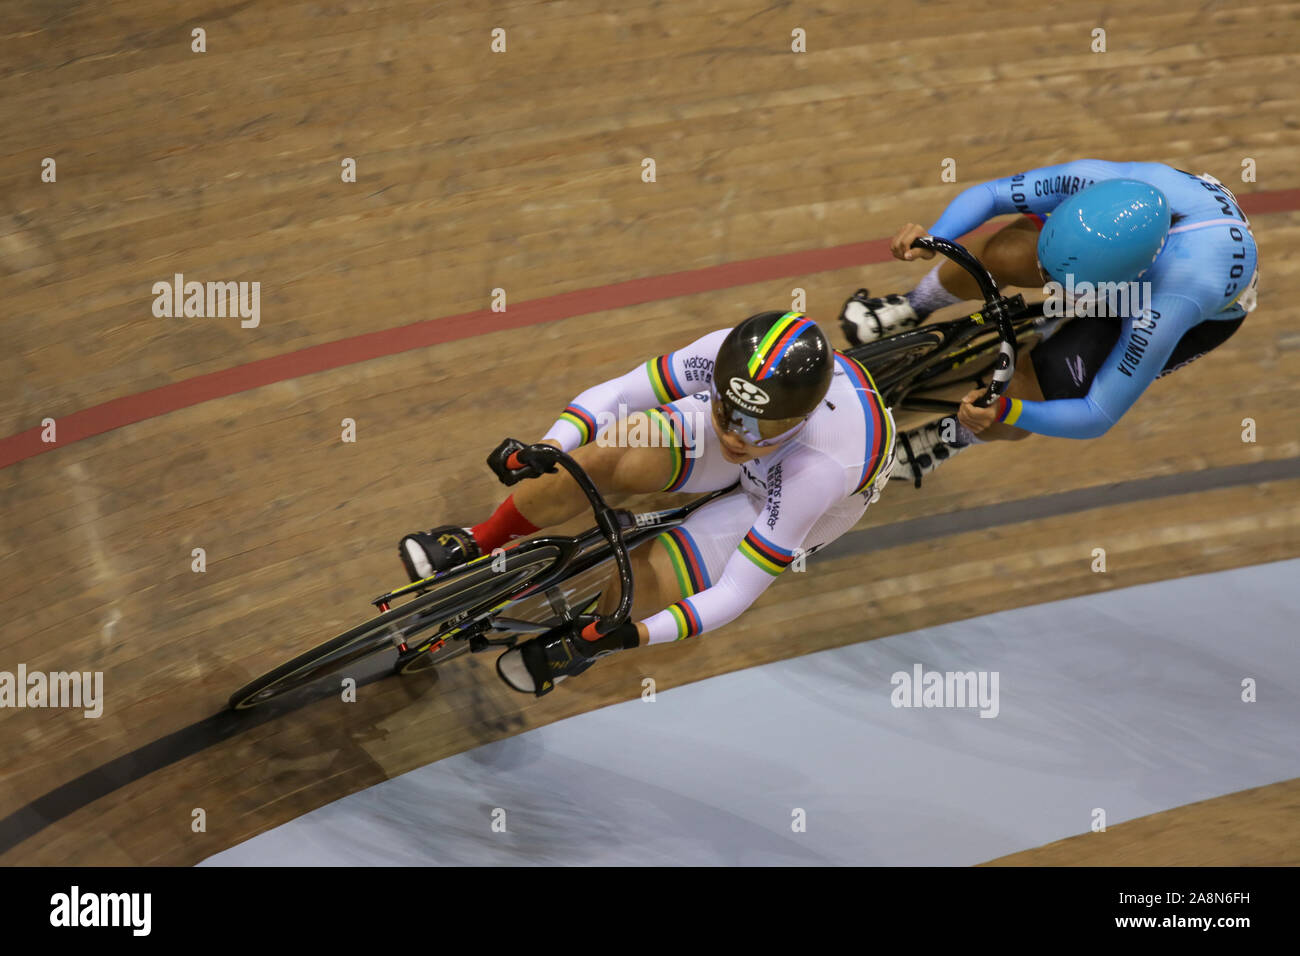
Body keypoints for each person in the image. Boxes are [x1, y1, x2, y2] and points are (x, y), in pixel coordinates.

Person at [398, 311, 896, 695]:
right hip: (778, 457)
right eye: (727, 410)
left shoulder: (820, 472)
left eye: (758, 427)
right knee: (604, 455)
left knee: (645, 581)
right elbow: (621, 394)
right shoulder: (724, 353)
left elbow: (736, 592)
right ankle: (478, 539)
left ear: (799, 420)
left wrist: (634, 635)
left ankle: (586, 642)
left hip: (790, 488)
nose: (737, 436)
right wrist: (552, 445)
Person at [839, 161, 1259, 485]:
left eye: (1065, 284)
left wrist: (1004, 408)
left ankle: (954, 438)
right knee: (1002, 253)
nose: (1051, 286)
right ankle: (915, 304)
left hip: (1180, 300)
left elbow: (1097, 413)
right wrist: (934, 238)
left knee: (1035, 388)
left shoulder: (1171, 302)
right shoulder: (1090, 178)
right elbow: (990, 195)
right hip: (1124, 260)